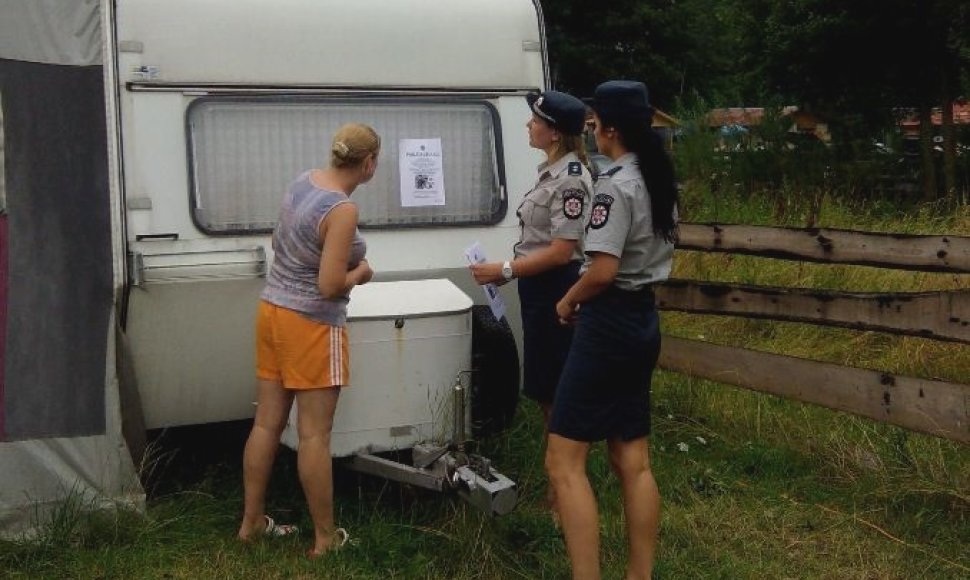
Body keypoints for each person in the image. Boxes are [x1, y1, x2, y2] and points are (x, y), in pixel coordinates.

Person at [546, 80, 678, 580]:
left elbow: (601, 270)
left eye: (595, 124)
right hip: (644, 319)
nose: (593, 132)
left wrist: (566, 299)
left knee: (564, 461)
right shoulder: (658, 177)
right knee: (631, 458)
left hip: (609, 324)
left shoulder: (615, 185)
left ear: (611, 130)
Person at [237, 123, 379, 558]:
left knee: (266, 424)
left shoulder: (303, 181)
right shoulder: (341, 210)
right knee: (315, 435)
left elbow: (277, 241)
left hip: (272, 312)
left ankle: (251, 524)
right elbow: (331, 285)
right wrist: (362, 272)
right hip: (311, 325)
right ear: (369, 163)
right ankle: (324, 539)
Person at [469, 90, 593, 512]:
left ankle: (564, 491)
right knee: (544, 388)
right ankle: (558, 482)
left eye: (535, 120)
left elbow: (562, 250)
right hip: (541, 290)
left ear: (554, 132)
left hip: (558, 288)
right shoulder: (552, 172)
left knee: (558, 390)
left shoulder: (572, 178)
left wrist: (505, 270)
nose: (528, 125)